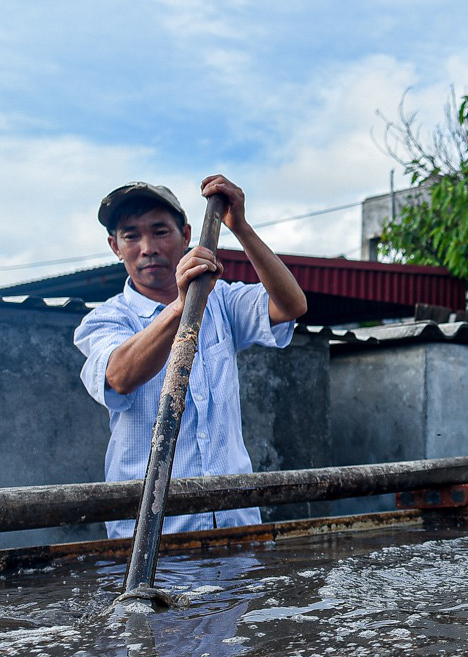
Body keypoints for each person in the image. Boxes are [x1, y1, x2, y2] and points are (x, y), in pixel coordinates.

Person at [74, 175, 308, 540]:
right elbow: (119, 374)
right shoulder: (107, 317)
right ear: (115, 246)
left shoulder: (222, 301)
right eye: (131, 236)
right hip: (151, 537)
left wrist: (240, 228)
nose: (147, 247)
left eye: (160, 231)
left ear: (186, 235)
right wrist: (183, 306)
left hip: (234, 525)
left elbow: (291, 305)